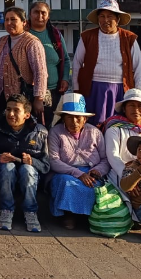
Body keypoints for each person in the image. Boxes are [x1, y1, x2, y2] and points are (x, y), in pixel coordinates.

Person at [72, 0, 141, 125]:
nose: (105, 20)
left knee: (117, 124)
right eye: (102, 16)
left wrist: (137, 94)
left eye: (110, 16)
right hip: (92, 89)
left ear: (117, 19)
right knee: (93, 124)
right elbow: (76, 64)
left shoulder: (129, 38)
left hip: (119, 89)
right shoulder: (87, 36)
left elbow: (138, 68)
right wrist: (76, 89)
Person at [0, 93, 49, 233]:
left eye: (16, 110)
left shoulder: (39, 132)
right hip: (4, 177)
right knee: (7, 167)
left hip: (30, 178)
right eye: (8, 109)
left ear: (27, 115)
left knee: (27, 169)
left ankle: (30, 212)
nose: (11, 114)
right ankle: (6, 210)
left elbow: (46, 166)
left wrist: (33, 161)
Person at [46, 93, 108, 230]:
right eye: (69, 117)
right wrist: (78, 174)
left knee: (94, 185)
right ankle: (69, 215)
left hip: (91, 171)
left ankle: (86, 215)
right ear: (63, 118)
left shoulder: (95, 132)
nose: (74, 122)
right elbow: (54, 160)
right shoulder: (55, 132)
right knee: (66, 183)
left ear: (85, 119)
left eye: (78, 118)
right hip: (64, 172)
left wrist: (97, 171)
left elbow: (105, 159)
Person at [103, 88, 141, 204]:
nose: (136, 110)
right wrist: (130, 178)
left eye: (140, 106)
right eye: (131, 105)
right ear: (124, 109)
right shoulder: (114, 129)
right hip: (122, 176)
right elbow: (113, 156)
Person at [0, 7, 48, 123]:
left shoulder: (31, 43)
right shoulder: (2, 41)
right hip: (0, 97)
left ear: (24, 22)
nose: (9, 23)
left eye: (13, 19)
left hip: (21, 99)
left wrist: (38, 99)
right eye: (6, 20)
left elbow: (40, 72)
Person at [28, 1, 72, 126]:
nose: (40, 16)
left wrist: (65, 78)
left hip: (53, 91)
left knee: (50, 125)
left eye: (43, 13)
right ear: (30, 14)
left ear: (48, 16)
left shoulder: (55, 35)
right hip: (29, 91)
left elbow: (66, 59)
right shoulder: (24, 34)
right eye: (36, 12)